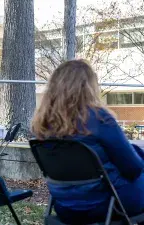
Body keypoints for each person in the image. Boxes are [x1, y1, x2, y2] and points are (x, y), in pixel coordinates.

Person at [31, 59, 144, 224]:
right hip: (106, 204)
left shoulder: (42, 125)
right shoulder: (100, 118)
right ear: (89, 88)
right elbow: (133, 169)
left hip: (66, 206)